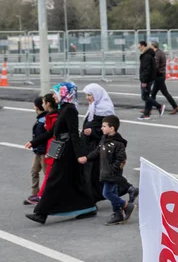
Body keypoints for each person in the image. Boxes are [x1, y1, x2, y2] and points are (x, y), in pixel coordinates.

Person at [25, 82, 97, 225]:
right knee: (75, 181)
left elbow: (73, 134)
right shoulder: (63, 108)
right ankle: (88, 207)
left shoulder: (70, 110)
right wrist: (34, 142)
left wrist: (79, 155)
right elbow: (53, 132)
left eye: (56, 93)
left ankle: (41, 213)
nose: (53, 95)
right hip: (63, 149)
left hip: (68, 151)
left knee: (53, 180)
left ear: (65, 93)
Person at [81, 84, 138, 204]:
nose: (87, 97)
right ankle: (127, 189)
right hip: (92, 145)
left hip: (101, 146)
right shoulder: (94, 106)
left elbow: (108, 129)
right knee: (100, 173)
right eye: (86, 95)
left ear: (97, 95)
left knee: (102, 172)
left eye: (90, 95)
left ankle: (99, 199)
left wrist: (93, 132)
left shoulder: (104, 108)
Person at [78, 115, 137, 225]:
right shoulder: (104, 139)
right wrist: (87, 158)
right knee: (113, 192)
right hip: (105, 172)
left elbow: (121, 159)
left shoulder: (118, 143)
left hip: (112, 174)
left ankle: (126, 206)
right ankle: (118, 214)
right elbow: (97, 151)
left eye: (104, 126)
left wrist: (112, 170)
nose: (101, 128)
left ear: (112, 128)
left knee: (107, 193)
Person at [24, 97, 47, 205]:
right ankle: (35, 194)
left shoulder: (45, 119)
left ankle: (45, 196)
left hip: (44, 151)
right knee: (34, 171)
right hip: (38, 150)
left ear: (37, 107)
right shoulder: (40, 118)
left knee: (47, 174)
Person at [150, 41, 178, 115]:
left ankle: (175, 106)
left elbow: (156, 65)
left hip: (159, 75)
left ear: (153, 46)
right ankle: (148, 109)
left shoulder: (157, 54)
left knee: (165, 93)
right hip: (159, 75)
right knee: (153, 94)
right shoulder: (159, 52)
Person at [138, 40, 165, 120]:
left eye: (139, 46)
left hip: (147, 79)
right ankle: (146, 114)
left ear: (143, 46)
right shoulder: (149, 55)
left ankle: (159, 106)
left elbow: (146, 70)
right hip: (149, 78)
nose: (138, 48)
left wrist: (144, 81)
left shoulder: (146, 56)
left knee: (145, 96)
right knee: (146, 96)